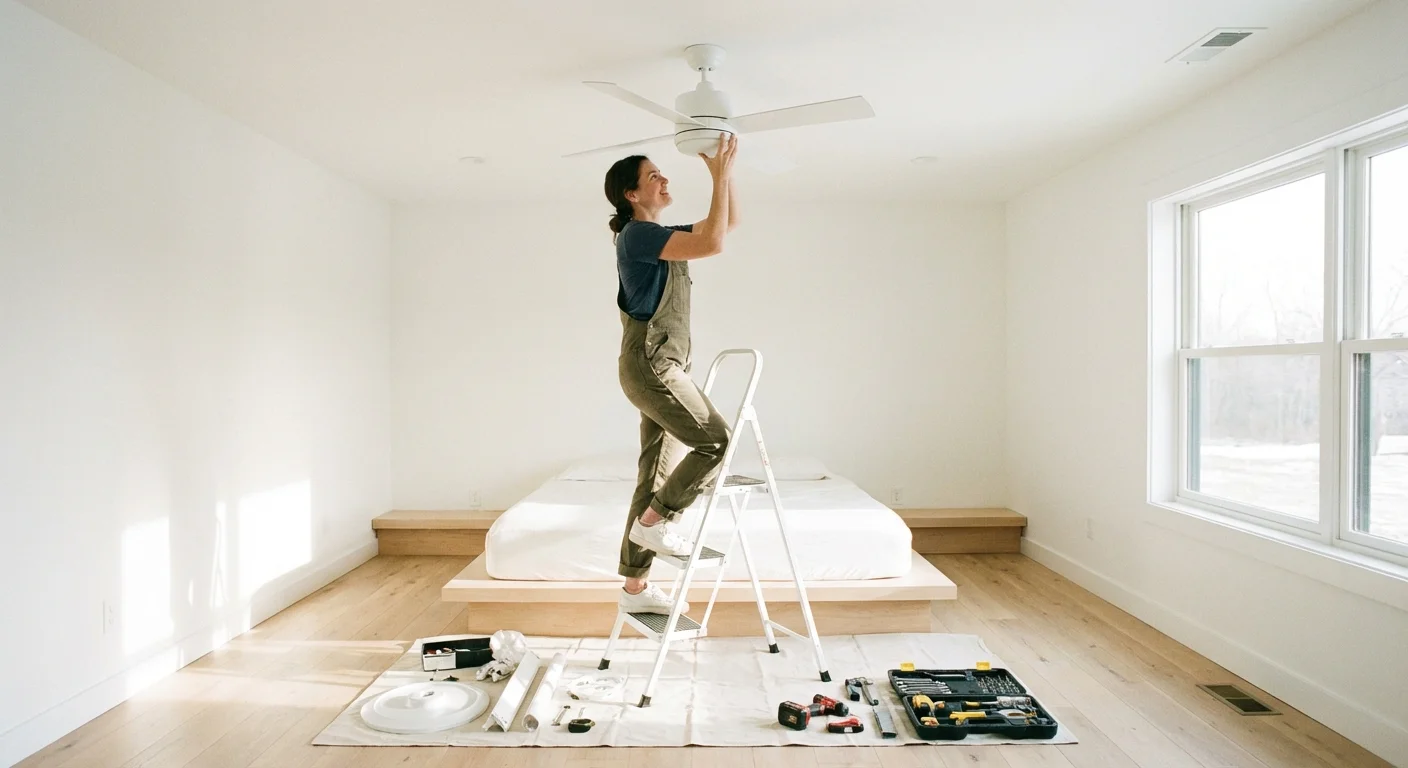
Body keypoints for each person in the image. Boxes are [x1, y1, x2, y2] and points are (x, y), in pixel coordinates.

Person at [604, 132, 740, 615]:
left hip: (658, 366)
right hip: (652, 365)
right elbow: (714, 243)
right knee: (716, 442)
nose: (663, 178)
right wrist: (719, 172)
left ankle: (634, 591)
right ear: (631, 194)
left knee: (653, 474)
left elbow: (727, 224)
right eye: (652, 175)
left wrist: (722, 176)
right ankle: (660, 519)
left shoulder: (659, 235)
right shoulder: (638, 234)